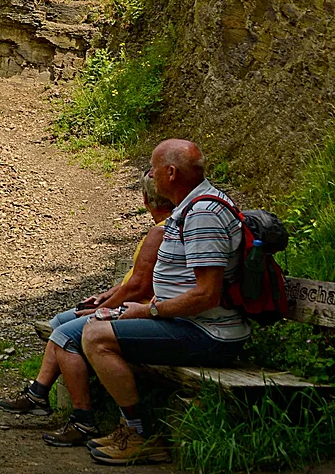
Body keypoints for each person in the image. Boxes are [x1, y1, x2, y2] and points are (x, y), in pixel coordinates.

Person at [83, 139, 248, 466]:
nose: (150, 174)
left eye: (154, 167)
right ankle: (130, 427)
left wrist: (148, 310)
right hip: (189, 323)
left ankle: (138, 434)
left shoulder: (203, 214)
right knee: (98, 326)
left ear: (170, 173)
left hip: (211, 334)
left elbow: (207, 294)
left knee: (95, 336)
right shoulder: (191, 207)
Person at [0, 170, 175, 446]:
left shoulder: (159, 233)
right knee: (59, 322)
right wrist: (105, 296)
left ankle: (83, 418)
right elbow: (135, 281)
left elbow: (139, 289)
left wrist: (99, 310)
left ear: (145, 200)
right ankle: (38, 394)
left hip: (137, 311)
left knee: (66, 336)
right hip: (133, 305)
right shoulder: (165, 229)